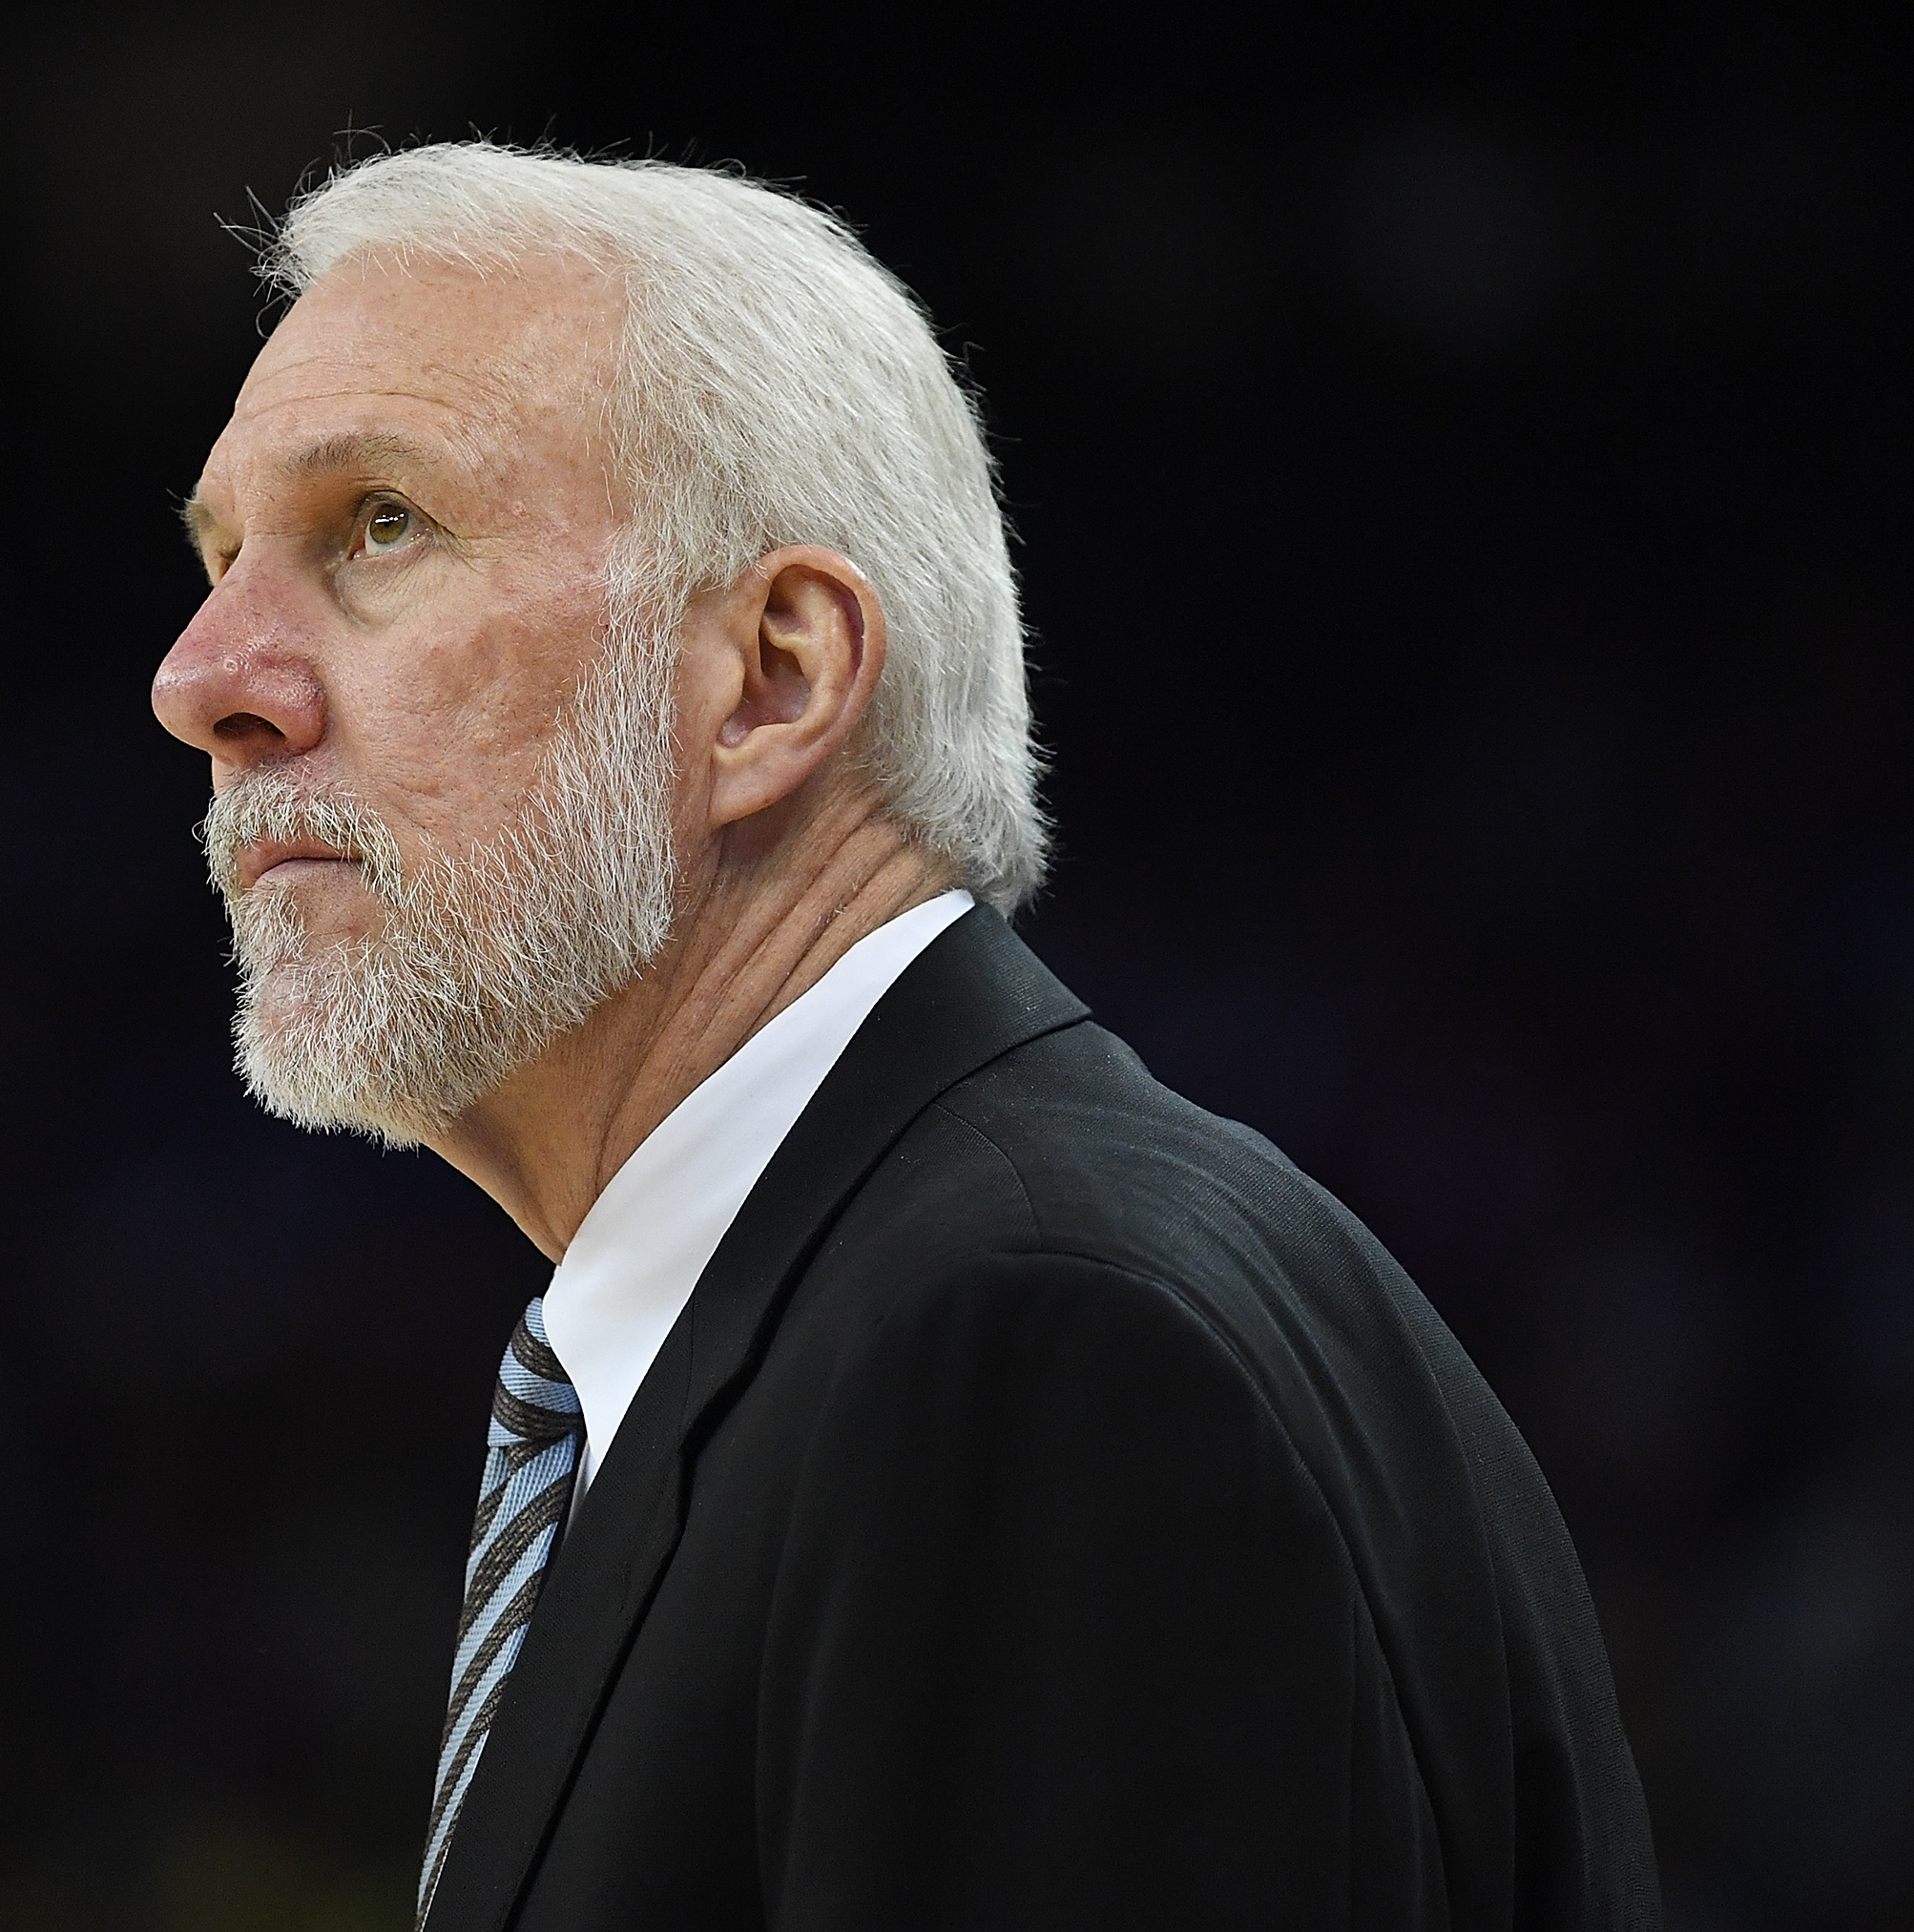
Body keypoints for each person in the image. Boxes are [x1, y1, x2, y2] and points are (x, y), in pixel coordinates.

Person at [149, 142, 1659, 1932]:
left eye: (379, 525)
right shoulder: (877, 1316)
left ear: (774, 676)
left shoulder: (1032, 1342)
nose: (204, 678)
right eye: (224, 554)